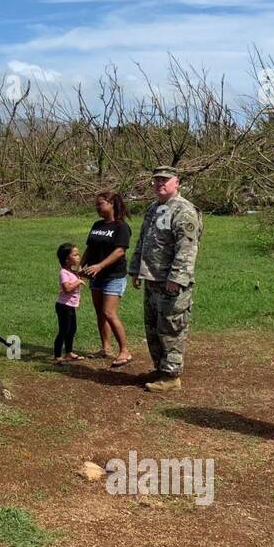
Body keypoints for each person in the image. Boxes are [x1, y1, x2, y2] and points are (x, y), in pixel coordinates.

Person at [128, 166, 201, 392]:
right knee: (153, 327)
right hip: (152, 278)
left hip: (171, 282)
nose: (160, 184)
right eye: (157, 180)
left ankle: (171, 375)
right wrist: (136, 269)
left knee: (171, 328)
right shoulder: (153, 208)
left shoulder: (184, 210)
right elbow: (144, 240)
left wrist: (177, 277)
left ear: (176, 182)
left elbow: (187, 248)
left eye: (165, 180)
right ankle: (161, 368)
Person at [80, 190, 133, 367]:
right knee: (100, 313)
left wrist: (100, 265)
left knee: (109, 312)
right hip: (96, 275)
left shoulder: (121, 227)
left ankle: (125, 351)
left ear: (112, 204)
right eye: (97, 204)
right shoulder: (97, 225)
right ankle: (105, 348)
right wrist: (82, 265)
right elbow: (89, 248)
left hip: (114, 275)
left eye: (101, 203)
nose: (98, 207)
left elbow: (120, 251)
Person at [54, 243, 84, 364]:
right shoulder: (63, 273)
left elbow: (78, 276)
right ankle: (57, 356)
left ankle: (69, 352)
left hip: (70, 306)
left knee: (72, 329)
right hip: (63, 306)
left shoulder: (71, 271)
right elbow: (67, 288)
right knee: (63, 330)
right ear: (67, 259)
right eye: (75, 255)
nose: (78, 256)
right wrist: (78, 282)